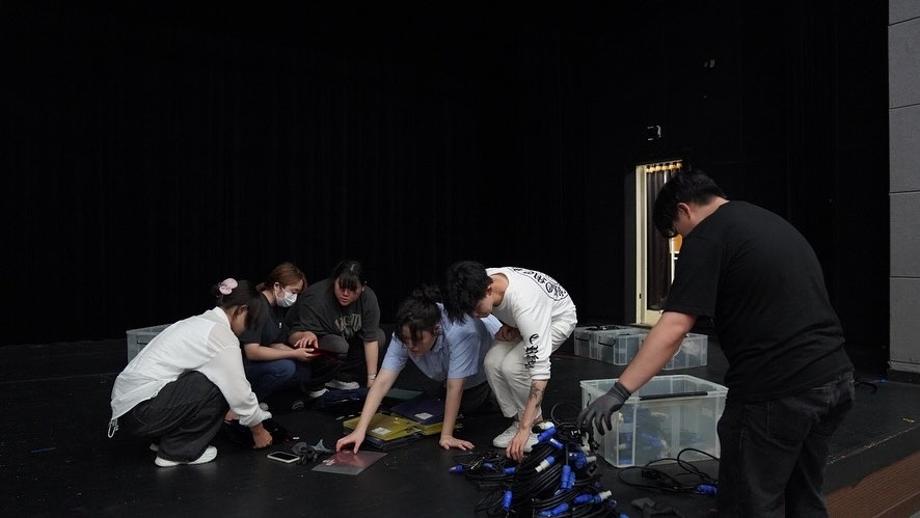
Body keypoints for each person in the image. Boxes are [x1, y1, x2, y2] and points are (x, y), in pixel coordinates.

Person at [578, 169, 854, 517]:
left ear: (684, 210)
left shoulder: (708, 235)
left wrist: (619, 391)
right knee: (804, 497)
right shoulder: (766, 222)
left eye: (677, 231)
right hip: (834, 380)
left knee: (748, 504)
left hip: (776, 391)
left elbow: (675, 326)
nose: (681, 239)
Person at [108, 278, 274, 467]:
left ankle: (162, 439)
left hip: (130, 410)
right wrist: (258, 431)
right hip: (142, 412)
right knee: (217, 385)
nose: (248, 329)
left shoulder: (198, 322)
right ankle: (177, 452)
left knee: (204, 378)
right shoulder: (222, 336)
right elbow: (239, 393)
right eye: (251, 322)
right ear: (241, 310)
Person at [336, 286, 501, 453]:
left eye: (417, 340)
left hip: (490, 356)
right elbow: (382, 382)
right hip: (445, 369)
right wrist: (360, 430)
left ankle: (493, 396)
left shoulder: (461, 332)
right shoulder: (406, 331)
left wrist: (446, 435)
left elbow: (455, 387)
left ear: (436, 329)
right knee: (436, 405)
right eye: (406, 340)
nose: (411, 346)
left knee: (471, 409)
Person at [444, 261, 578, 461]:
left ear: (489, 290)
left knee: (513, 367)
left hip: (556, 319)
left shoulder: (525, 304)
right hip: (526, 319)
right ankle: (518, 421)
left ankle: (536, 426)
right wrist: (511, 324)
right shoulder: (478, 280)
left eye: (475, 308)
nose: (474, 315)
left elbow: (540, 375)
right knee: (492, 363)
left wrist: (525, 429)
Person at [286, 260, 386, 390]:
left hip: (346, 341)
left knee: (378, 336)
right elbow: (291, 335)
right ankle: (319, 379)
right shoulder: (316, 298)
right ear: (334, 281)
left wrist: (372, 380)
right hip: (315, 345)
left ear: (363, 287)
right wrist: (305, 335)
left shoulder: (368, 298)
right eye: (341, 287)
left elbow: (370, 340)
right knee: (338, 345)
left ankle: (342, 376)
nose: (345, 294)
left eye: (352, 289)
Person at [239, 262, 325, 406]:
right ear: (277, 286)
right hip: (244, 364)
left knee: (303, 370)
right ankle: (248, 403)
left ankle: (271, 398)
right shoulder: (257, 305)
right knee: (286, 367)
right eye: (293, 291)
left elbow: (276, 343)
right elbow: (252, 352)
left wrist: (301, 353)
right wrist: (293, 354)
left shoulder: (276, 308)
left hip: (262, 361)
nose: (294, 297)